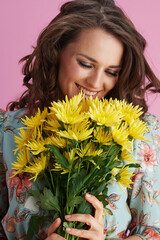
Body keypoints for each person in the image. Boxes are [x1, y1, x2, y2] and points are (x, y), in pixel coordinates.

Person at [0, 0, 160, 239]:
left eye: (111, 71)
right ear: (56, 54)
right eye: (86, 64)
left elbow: (152, 232)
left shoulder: (138, 134)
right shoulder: (9, 131)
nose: (96, 83)